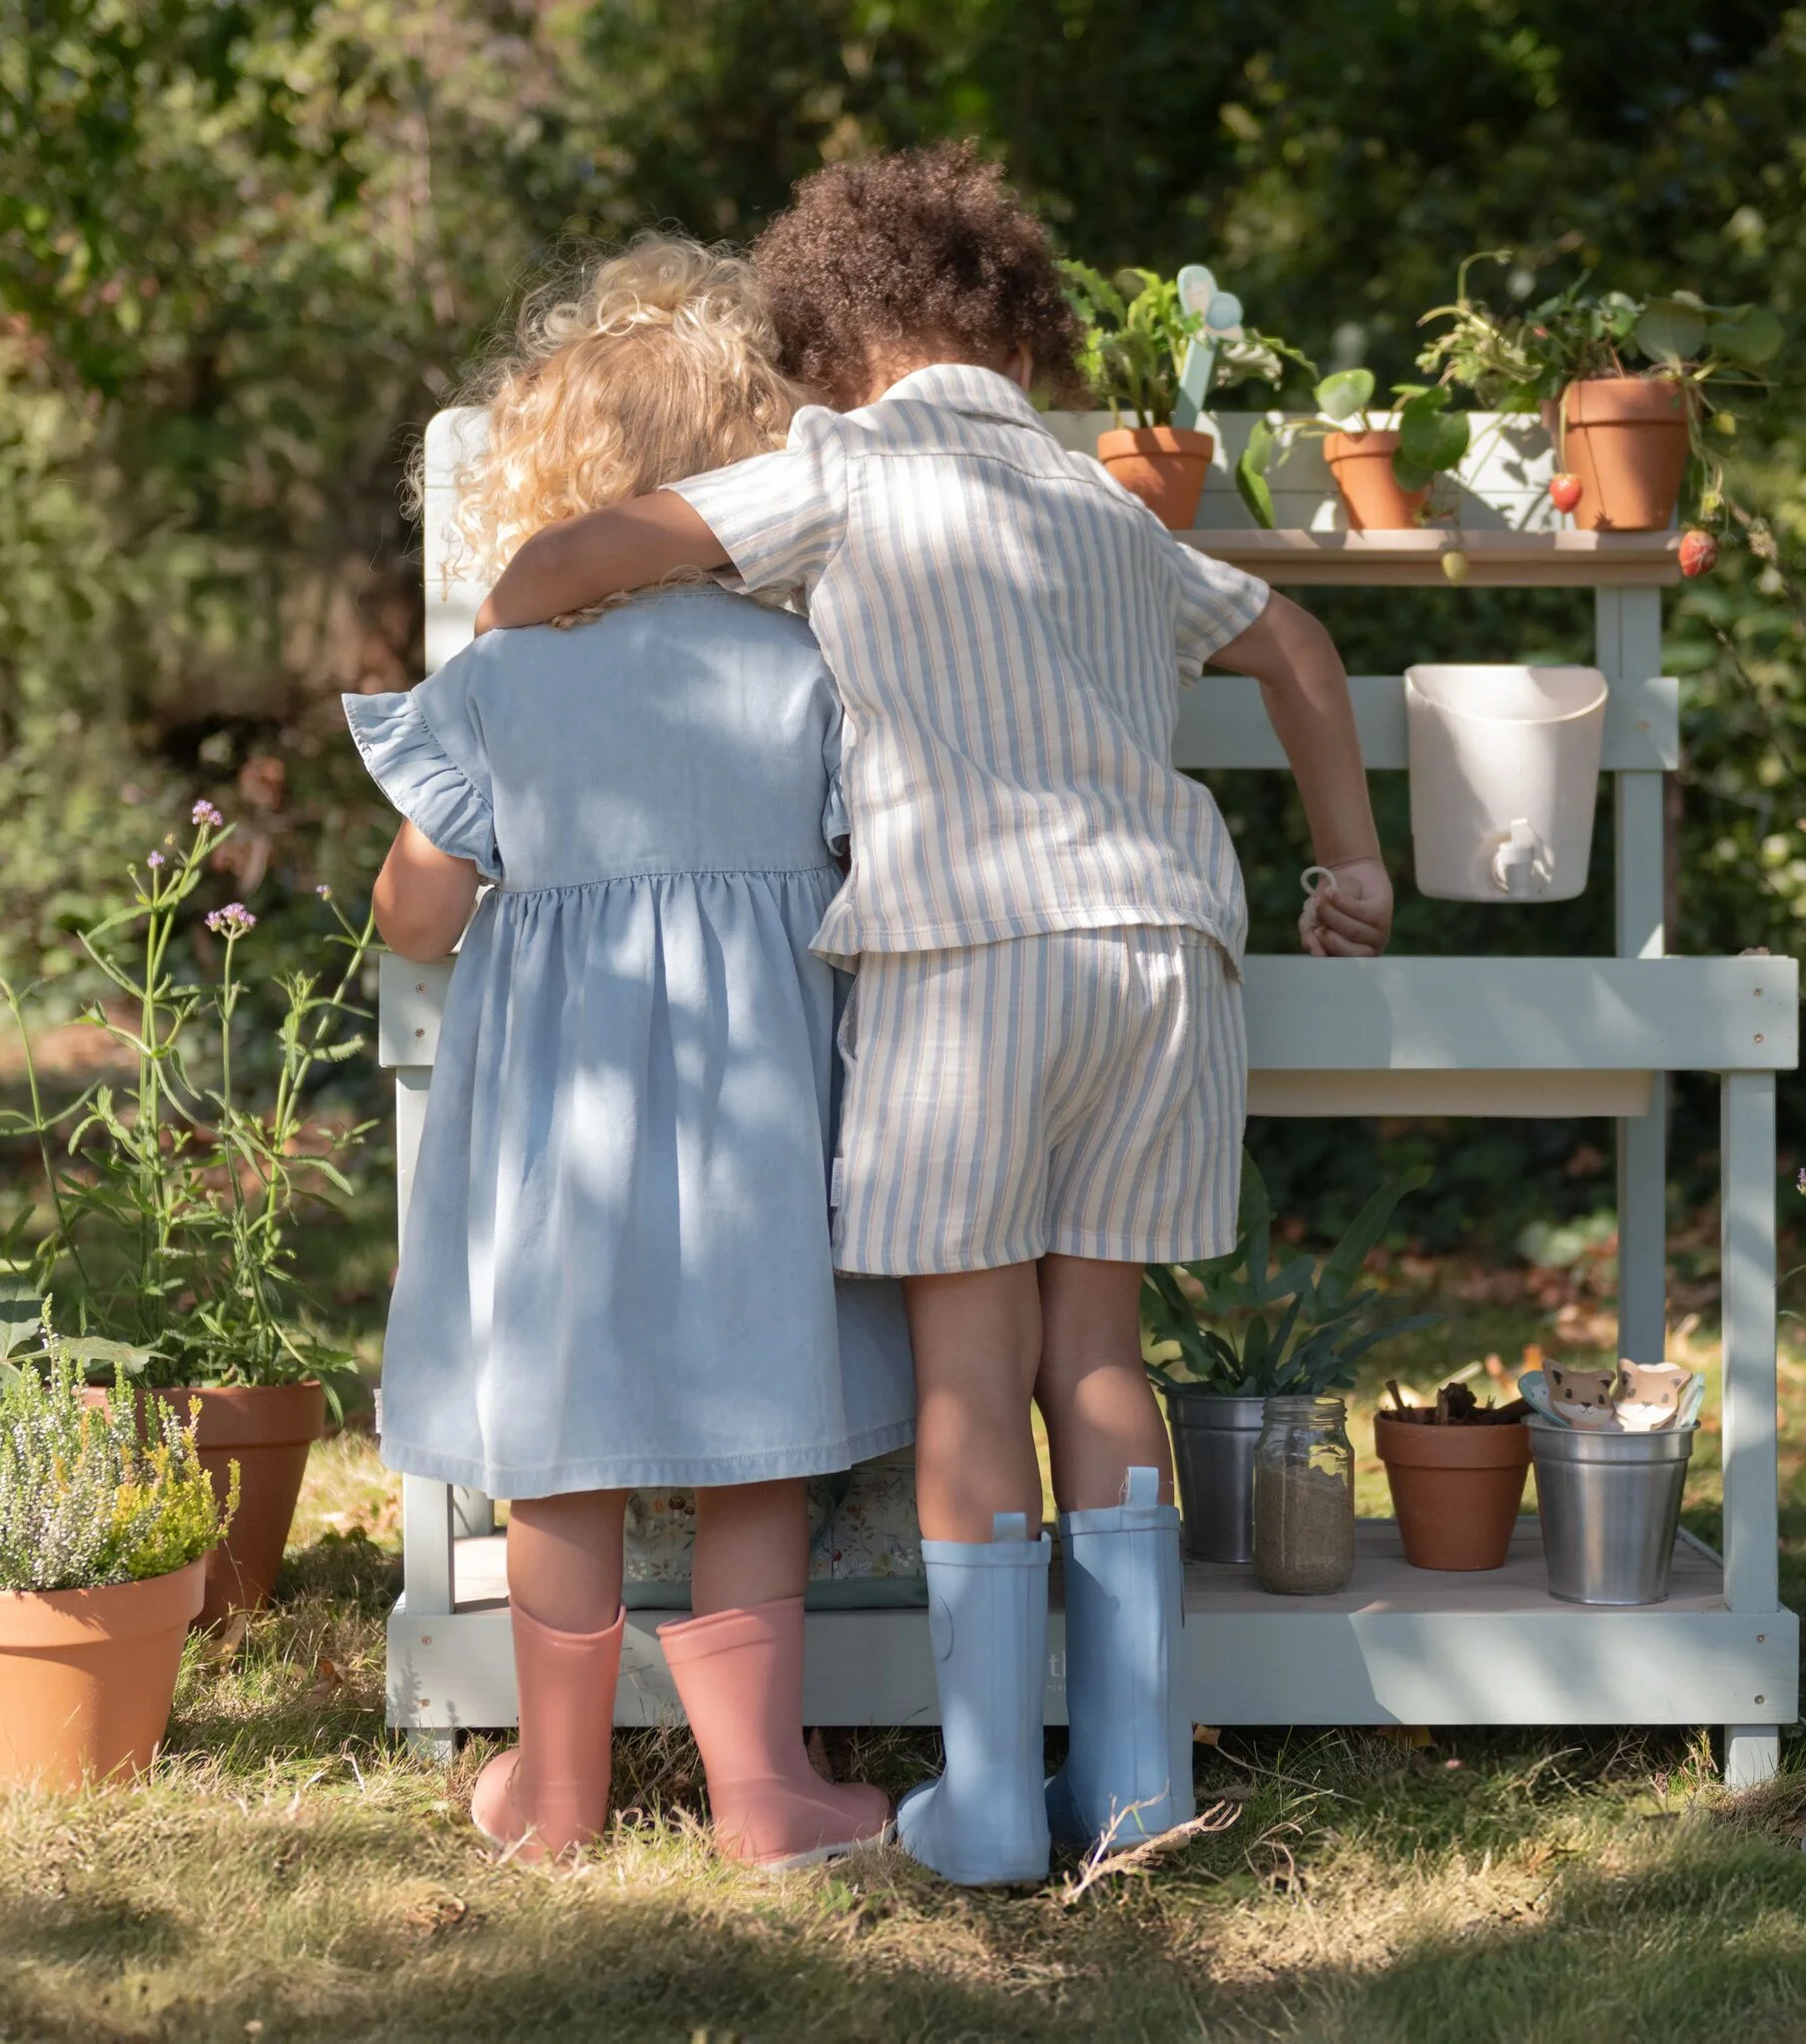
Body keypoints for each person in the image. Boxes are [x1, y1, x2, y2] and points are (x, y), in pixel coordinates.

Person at [475, 145, 1393, 1887]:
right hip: (1160, 958)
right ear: (1025, 340)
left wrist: (536, 600)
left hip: (968, 961)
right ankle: (1130, 1788)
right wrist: (1350, 864)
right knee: (1100, 1359)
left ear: (831, 347)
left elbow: (580, 556)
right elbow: (1300, 655)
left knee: (976, 1368)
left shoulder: (835, 465)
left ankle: (984, 1798)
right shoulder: (1116, 510)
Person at [346, 236, 912, 1871]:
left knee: (561, 1455)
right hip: (755, 1127)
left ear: (549, 479)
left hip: (557, 1141)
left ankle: (558, 1793)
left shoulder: (507, 681)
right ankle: (764, 1795)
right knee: (761, 1441)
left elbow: (418, 922)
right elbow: (875, 861)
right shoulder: (804, 670)